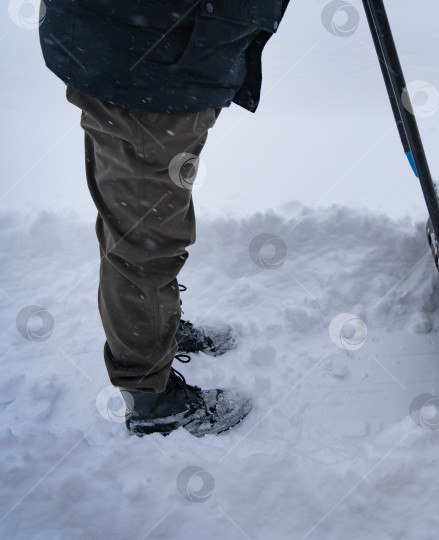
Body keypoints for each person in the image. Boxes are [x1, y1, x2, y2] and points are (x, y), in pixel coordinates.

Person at [38, 0, 290, 436]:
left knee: (137, 220)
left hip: (156, 52)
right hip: (149, 58)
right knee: (144, 240)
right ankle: (151, 399)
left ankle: (156, 333)